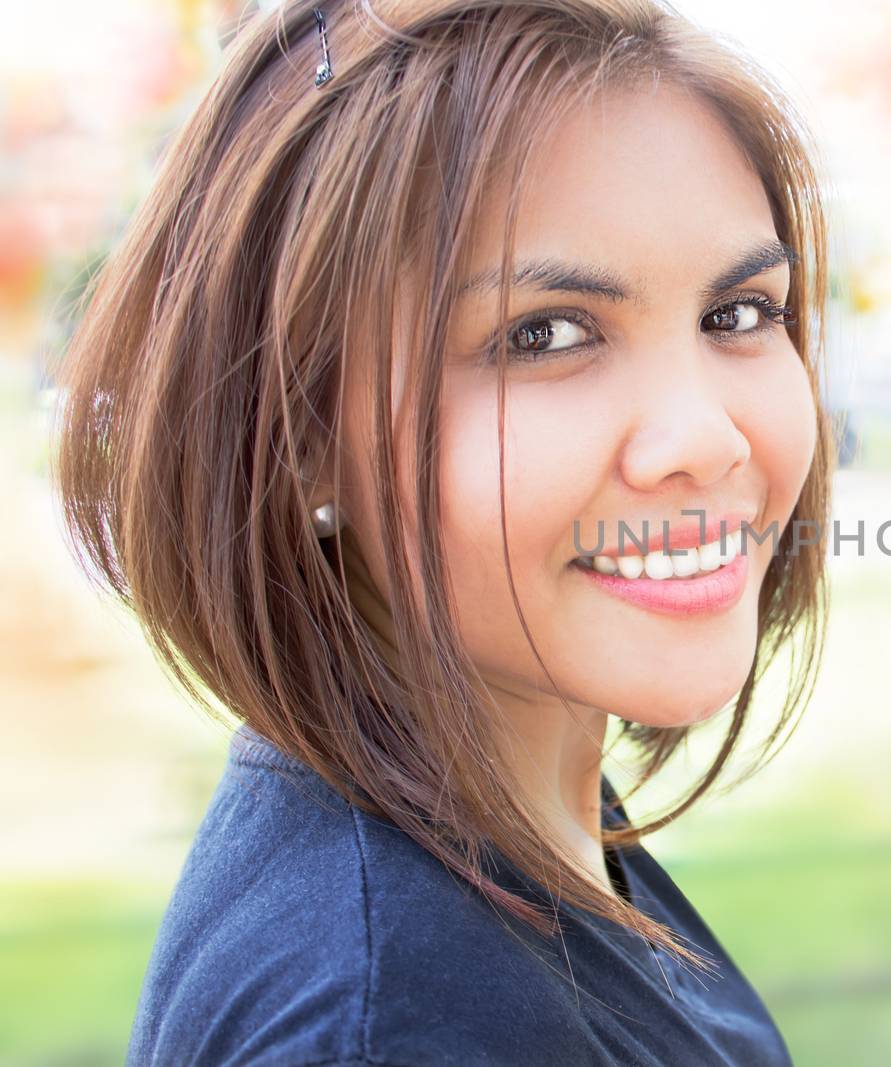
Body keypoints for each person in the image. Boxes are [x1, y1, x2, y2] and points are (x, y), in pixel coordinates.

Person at [49, 1, 833, 1063]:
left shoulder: (502, 809)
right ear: (300, 436)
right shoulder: (392, 1017)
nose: (704, 437)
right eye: (544, 334)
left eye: (737, 311)